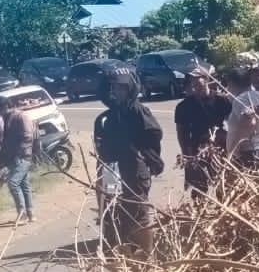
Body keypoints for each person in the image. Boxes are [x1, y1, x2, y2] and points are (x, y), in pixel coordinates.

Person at [92, 65, 164, 259]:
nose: (116, 92)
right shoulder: (106, 118)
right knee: (117, 212)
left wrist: (143, 153)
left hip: (135, 171)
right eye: (113, 88)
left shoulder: (138, 111)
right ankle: (127, 254)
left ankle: (149, 256)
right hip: (112, 173)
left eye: (121, 88)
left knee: (139, 212)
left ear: (130, 88)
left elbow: (154, 135)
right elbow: (101, 150)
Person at [175, 67, 231, 197]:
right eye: (191, 80)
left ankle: (223, 208)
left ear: (206, 79)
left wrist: (223, 136)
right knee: (198, 187)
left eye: (197, 78)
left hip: (218, 148)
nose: (193, 82)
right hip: (195, 149)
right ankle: (199, 211)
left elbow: (231, 122)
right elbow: (181, 131)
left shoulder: (221, 100)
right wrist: (186, 153)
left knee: (222, 183)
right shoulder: (184, 106)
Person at [0, 94, 37, 223]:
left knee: (13, 183)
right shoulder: (7, 117)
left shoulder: (21, 116)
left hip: (22, 156)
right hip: (13, 157)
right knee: (24, 184)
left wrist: (18, 152)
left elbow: (28, 137)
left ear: (6, 106)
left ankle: (22, 213)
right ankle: (30, 214)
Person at [225, 67, 259, 167]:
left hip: (247, 152)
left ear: (232, 84)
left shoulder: (240, 99)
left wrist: (233, 150)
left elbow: (250, 121)